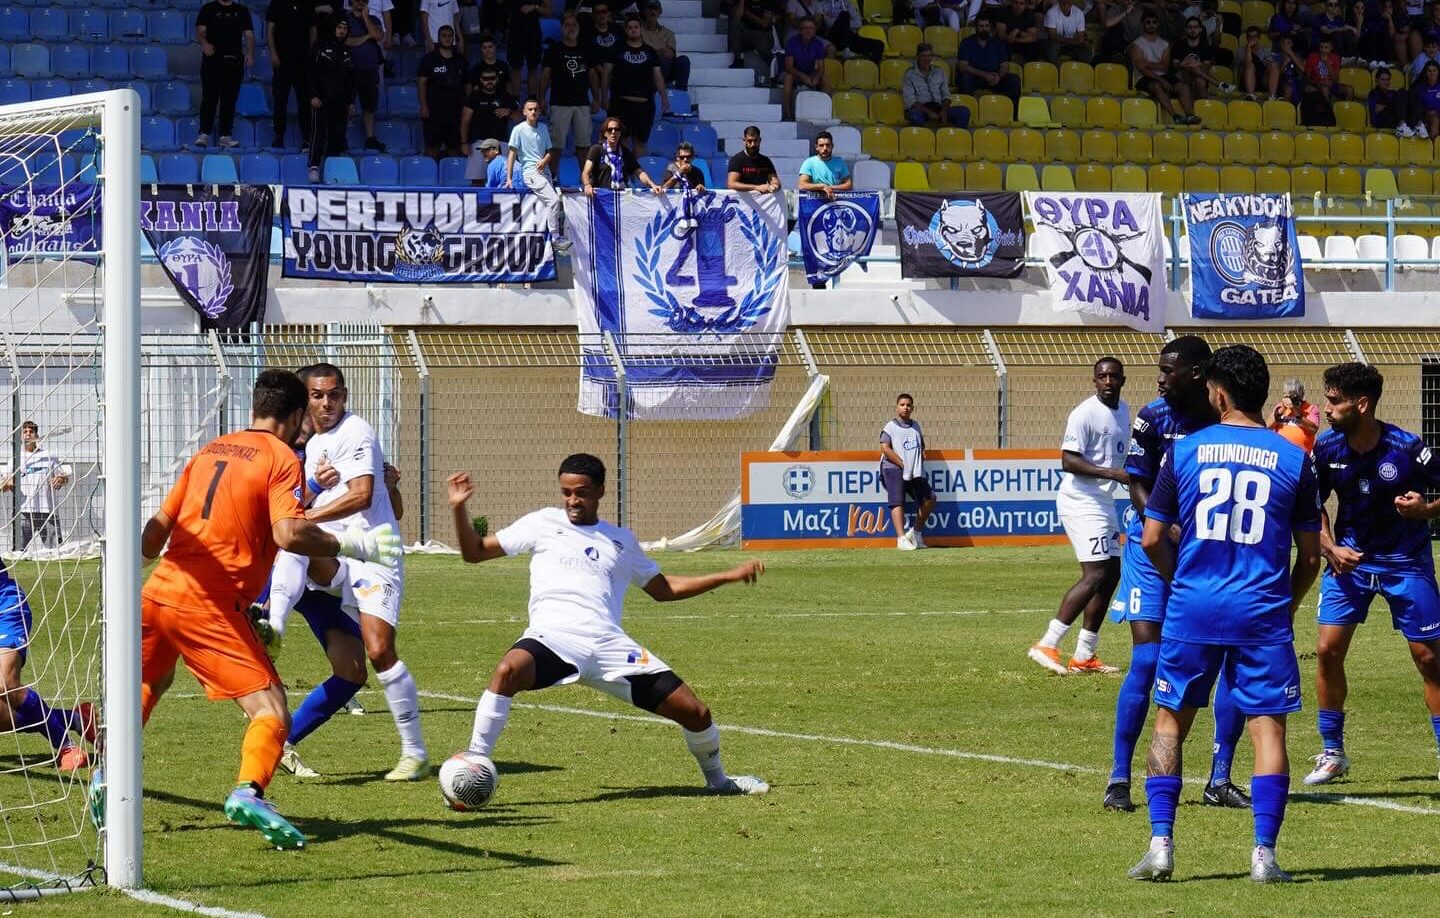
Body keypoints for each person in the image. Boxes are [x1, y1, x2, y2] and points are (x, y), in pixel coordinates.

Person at [131, 369, 401, 848]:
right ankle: (249, 792)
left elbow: (154, 534)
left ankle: (110, 775)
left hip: (159, 591)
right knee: (271, 708)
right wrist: (356, 544)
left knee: (151, 681)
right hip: (209, 606)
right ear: (297, 414)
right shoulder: (281, 457)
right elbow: (289, 534)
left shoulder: (211, 449)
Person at [446, 454, 770, 797]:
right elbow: (475, 552)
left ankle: (719, 782)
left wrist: (727, 575)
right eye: (566, 492)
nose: (573, 500)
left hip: (610, 647)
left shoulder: (621, 541)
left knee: (696, 713)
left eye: (581, 492)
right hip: (554, 638)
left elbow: (664, 589)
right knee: (507, 671)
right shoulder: (541, 523)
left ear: (600, 490)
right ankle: (475, 761)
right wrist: (458, 509)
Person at [1127, 345, 1322, 884]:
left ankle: (1161, 847)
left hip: (1193, 605)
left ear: (1218, 393)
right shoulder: (1294, 458)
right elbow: (1310, 556)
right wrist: (1289, 600)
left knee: (1170, 722)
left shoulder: (1186, 451)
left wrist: (1181, 583)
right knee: (1269, 731)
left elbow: (1150, 538)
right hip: (1262, 610)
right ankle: (1264, 855)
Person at [1103, 336, 1253, 814]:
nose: (1159, 377)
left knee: (1231, 662)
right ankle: (1118, 779)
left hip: (1207, 552)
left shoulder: (1223, 420)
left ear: (1196, 374)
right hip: (1151, 548)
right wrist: (1165, 525)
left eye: (1169, 369)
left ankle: (1219, 777)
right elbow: (1137, 482)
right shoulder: (1153, 416)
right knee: (1147, 661)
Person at [278, 364, 429, 781]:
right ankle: (266, 619)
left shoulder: (357, 430)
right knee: (294, 542)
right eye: (318, 396)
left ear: (345, 396)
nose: (328, 403)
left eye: (335, 395)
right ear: (306, 401)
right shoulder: (312, 446)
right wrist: (304, 516)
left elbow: (364, 497)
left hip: (373, 555)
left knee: (372, 657)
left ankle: (414, 753)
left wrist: (306, 515)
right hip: (336, 556)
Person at [1302, 362, 1440, 787]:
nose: (1326, 409)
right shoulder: (1326, 450)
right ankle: (1333, 753)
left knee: (1430, 658)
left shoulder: (1406, 447)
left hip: (1406, 561)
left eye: (1335, 401)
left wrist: (1426, 511)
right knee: (1327, 651)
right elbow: (1310, 506)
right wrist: (1330, 547)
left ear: (1362, 404)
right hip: (1351, 563)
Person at [1028, 358, 1129, 676]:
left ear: (1122, 380)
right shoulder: (1084, 413)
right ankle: (1047, 643)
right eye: (1102, 376)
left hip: (1104, 501)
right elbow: (1068, 460)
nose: (1108, 381)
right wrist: (1111, 472)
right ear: (1094, 381)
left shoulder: (1123, 410)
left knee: (1112, 573)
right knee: (1095, 574)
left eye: (1113, 376)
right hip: (1081, 501)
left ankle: (1084, 653)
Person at [0, 558, 92, 773]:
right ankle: (78, 719)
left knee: (5, 683)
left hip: (3, 605)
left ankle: (67, 748)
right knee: (3, 719)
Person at [506, 100, 570, 253]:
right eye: (530, 109)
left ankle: (546, 243)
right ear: (524, 112)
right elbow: (512, 155)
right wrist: (509, 178)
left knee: (547, 205)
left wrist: (544, 161)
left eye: (536, 109)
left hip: (545, 171)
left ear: (539, 112)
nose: (533, 112)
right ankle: (555, 238)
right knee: (554, 201)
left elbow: (550, 151)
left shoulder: (542, 128)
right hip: (531, 172)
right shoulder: (518, 129)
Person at [541, 13, 601, 171]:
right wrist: (541, 98)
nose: (571, 28)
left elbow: (592, 75)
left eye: (574, 25)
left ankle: (586, 180)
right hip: (559, 103)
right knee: (555, 147)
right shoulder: (553, 50)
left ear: (579, 28)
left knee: (584, 146)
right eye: (567, 25)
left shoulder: (587, 49)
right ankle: (553, 180)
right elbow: (545, 76)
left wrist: (596, 98)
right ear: (562, 29)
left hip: (582, 103)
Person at [602, 15, 671, 155]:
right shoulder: (617, 49)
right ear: (625, 30)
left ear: (640, 29)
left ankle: (638, 176)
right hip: (621, 103)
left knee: (641, 143)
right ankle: (624, 175)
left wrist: (664, 97)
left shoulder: (650, 51)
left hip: (644, 105)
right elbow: (606, 74)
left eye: (636, 27)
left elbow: (658, 76)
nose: (633, 30)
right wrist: (603, 96)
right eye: (630, 27)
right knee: (622, 141)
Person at [195, 0, 256, 148]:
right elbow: (200, 31)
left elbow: (249, 35)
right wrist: (204, 44)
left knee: (229, 99)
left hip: (234, 61)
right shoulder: (208, 8)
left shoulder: (242, 10)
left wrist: (250, 53)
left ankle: (225, 135)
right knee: (209, 97)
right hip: (212, 60)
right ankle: (204, 133)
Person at [879, 394, 935, 551]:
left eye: (909, 405)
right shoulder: (890, 426)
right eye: (902, 404)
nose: (906, 407)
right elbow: (885, 447)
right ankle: (901, 539)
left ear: (913, 408)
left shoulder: (916, 426)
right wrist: (901, 463)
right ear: (897, 407)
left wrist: (921, 454)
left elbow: (921, 445)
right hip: (893, 468)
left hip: (914, 471)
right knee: (897, 502)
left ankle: (915, 533)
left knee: (930, 498)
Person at [306, 17, 356, 183]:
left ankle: (330, 170)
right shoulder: (319, 46)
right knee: (318, 134)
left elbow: (350, 79)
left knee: (337, 135)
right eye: (339, 27)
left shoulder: (347, 51)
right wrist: (313, 95)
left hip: (340, 102)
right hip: (320, 100)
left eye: (344, 28)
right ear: (332, 27)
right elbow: (310, 72)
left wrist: (351, 101)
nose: (342, 30)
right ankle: (313, 167)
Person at [3, 422, 67, 550]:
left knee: (55, 552)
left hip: (47, 510)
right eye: (25, 432)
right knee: (17, 551)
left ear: (37, 435)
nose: (28, 434)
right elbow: (5, 482)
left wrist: (60, 479)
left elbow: (64, 477)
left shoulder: (49, 456)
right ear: (20, 437)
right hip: (24, 511)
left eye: (31, 431)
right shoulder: (15, 459)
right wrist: (8, 483)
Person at [267, 0, 318, 150]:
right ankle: (279, 135)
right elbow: (270, 29)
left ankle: (307, 138)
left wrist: (311, 53)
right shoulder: (276, 4)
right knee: (280, 100)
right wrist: (273, 52)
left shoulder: (307, 4)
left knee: (304, 102)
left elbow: (313, 30)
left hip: (302, 63)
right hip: (281, 62)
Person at [1130, 14, 1199, 125]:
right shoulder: (1136, 44)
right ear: (1143, 24)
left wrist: (1147, 63)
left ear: (1158, 24)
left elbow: (1164, 66)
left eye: (1154, 22)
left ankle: (1190, 115)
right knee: (1156, 86)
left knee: (1183, 86)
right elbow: (1141, 68)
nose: (1151, 25)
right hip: (1144, 77)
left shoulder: (1165, 44)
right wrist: (1160, 78)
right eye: (1148, 22)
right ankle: (1175, 116)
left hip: (1163, 75)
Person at [418, 24, 467, 159]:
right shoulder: (429, 59)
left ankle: (452, 177)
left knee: (454, 149)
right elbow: (422, 82)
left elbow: (467, 84)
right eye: (444, 36)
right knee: (432, 148)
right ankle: (428, 178)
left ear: (453, 38)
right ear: (438, 38)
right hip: (434, 112)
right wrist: (423, 105)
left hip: (455, 112)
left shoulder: (460, 59)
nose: (447, 38)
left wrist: (466, 106)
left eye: (450, 36)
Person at [461, 69, 519, 184]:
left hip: (501, 143)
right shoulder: (474, 96)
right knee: (477, 181)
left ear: (497, 79)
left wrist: (510, 112)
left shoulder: (504, 96)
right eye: (486, 79)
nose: (489, 81)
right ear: (481, 80)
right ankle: (477, 202)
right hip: (479, 143)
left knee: (505, 179)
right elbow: (465, 121)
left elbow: (521, 117)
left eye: (492, 78)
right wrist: (464, 142)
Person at [345, 0, 388, 151]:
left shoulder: (373, 19)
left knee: (369, 106)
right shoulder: (345, 18)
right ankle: (340, 139)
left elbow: (378, 36)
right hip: (349, 68)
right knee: (346, 104)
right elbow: (347, 41)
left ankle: (370, 139)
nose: (360, 2)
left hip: (370, 68)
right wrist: (366, 36)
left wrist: (365, 18)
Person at [784, 0, 883, 63]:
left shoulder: (848, 3)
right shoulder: (823, 4)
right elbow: (828, 24)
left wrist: (842, 22)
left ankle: (873, 67)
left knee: (879, 44)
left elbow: (859, 23)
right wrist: (841, 20)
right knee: (844, 15)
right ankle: (845, 49)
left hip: (849, 36)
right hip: (834, 36)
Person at [956, 14, 1022, 108]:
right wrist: (984, 75)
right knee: (965, 78)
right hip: (976, 78)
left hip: (994, 78)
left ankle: (1013, 113)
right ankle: (968, 110)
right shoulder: (966, 43)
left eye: (987, 26)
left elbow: (1005, 66)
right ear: (975, 27)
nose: (984, 29)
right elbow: (962, 67)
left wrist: (999, 76)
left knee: (1014, 80)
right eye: (981, 26)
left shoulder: (998, 43)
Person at [583, 117, 663, 192]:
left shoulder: (626, 152)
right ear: (605, 133)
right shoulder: (596, 149)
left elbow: (640, 173)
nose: (613, 132)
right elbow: (586, 172)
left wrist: (652, 185)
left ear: (620, 133)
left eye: (617, 129)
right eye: (610, 130)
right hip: (601, 196)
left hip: (622, 196)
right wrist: (587, 185)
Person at [904, 43, 970, 126]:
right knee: (914, 116)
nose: (926, 59)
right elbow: (911, 101)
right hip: (921, 109)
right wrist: (929, 112)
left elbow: (946, 95)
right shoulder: (909, 74)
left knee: (964, 112)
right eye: (923, 56)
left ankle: (954, 137)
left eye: (929, 56)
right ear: (917, 57)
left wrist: (944, 110)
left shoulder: (939, 72)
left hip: (939, 107)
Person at [783, 17, 831, 120]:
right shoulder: (792, 42)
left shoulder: (818, 44)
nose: (808, 31)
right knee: (788, 78)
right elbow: (789, 67)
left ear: (814, 30)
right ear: (800, 30)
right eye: (805, 28)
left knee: (825, 79)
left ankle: (825, 112)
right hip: (795, 73)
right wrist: (803, 76)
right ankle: (788, 113)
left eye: (811, 28)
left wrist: (816, 78)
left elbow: (821, 68)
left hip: (810, 72)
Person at [641, 1, 691, 89]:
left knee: (683, 60)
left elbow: (670, 53)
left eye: (655, 9)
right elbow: (641, 53)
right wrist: (659, 52)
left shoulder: (668, 33)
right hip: (647, 69)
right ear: (644, 11)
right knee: (663, 58)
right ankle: (657, 89)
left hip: (666, 67)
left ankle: (681, 93)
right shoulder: (639, 31)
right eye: (650, 9)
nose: (652, 12)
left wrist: (657, 53)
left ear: (660, 12)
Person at [730, 0, 782, 85]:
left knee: (760, 39)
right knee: (734, 24)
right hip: (746, 33)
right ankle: (738, 58)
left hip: (763, 34)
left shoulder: (767, 2)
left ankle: (775, 72)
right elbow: (738, 17)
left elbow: (764, 24)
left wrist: (747, 13)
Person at [506, 0, 549, 100]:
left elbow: (548, 11)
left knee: (533, 68)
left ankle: (532, 101)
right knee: (515, 68)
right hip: (515, 33)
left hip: (533, 34)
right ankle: (515, 101)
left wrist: (535, 7)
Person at [1268, 378, 1321, 453]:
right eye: (1286, 396)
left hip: (1301, 455)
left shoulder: (1311, 409)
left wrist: (1296, 411)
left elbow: (1313, 429)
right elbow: (1268, 427)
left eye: (1292, 397)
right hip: (1280, 453)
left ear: (1300, 396)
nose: (1289, 400)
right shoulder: (1280, 408)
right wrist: (1281, 410)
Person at [797, 131, 850, 200]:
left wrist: (829, 188)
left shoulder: (839, 162)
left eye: (828, 145)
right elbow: (802, 185)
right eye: (821, 145)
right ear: (816, 147)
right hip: (815, 203)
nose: (825, 148)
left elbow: (848, 184)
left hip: (837, 201)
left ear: (832, 146)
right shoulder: (809, 162)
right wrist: (822, 187)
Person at [726, 125, 781, 193]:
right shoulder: (737, 160)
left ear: (760, 140)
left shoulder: (766, 161)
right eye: (750, 141)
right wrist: (756, 187)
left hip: (762, 202)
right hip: (742, 202)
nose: (753, 144)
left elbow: (775, 181)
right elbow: (731, 184)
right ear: (744, 141)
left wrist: (774, 186)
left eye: (755, 140)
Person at [1043, 0, 1093, 65]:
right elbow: (1052, 36)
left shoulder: (1079, 13)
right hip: (1057, 43)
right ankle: (1054, 71)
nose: (1066, 2)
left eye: (1069, 1)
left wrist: (1080, 42)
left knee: (1086, 52)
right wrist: (1072, 41)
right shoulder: (1051, 12)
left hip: (1072, 45)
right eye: (1063, 1)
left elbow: (1080, 37)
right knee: (1053, 47)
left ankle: (1077, 71)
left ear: (1072, 2)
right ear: (1059, 1)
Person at [1370, 59, 1412, 131]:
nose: (1385, 82)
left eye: (1387, 79)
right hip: (1382, 122)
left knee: (1403, 92)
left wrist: (1386, 106)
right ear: (1377, 81)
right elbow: (1376, 109)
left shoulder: (1393, 93)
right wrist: (1394, 105)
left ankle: (1409, 124)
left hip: (1395, 118)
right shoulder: (1373, 93)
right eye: (1383, 80)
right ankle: (1402, 123)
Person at [1413, 58, 1440, 138]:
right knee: (1434, 119)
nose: (1432, 73)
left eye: (1434, 70)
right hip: (1426, 117)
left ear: (1438, 72)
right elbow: (1415, 107)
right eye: (1429, 71)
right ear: (1425, 72)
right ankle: (1433, 148)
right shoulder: (1419, 88)